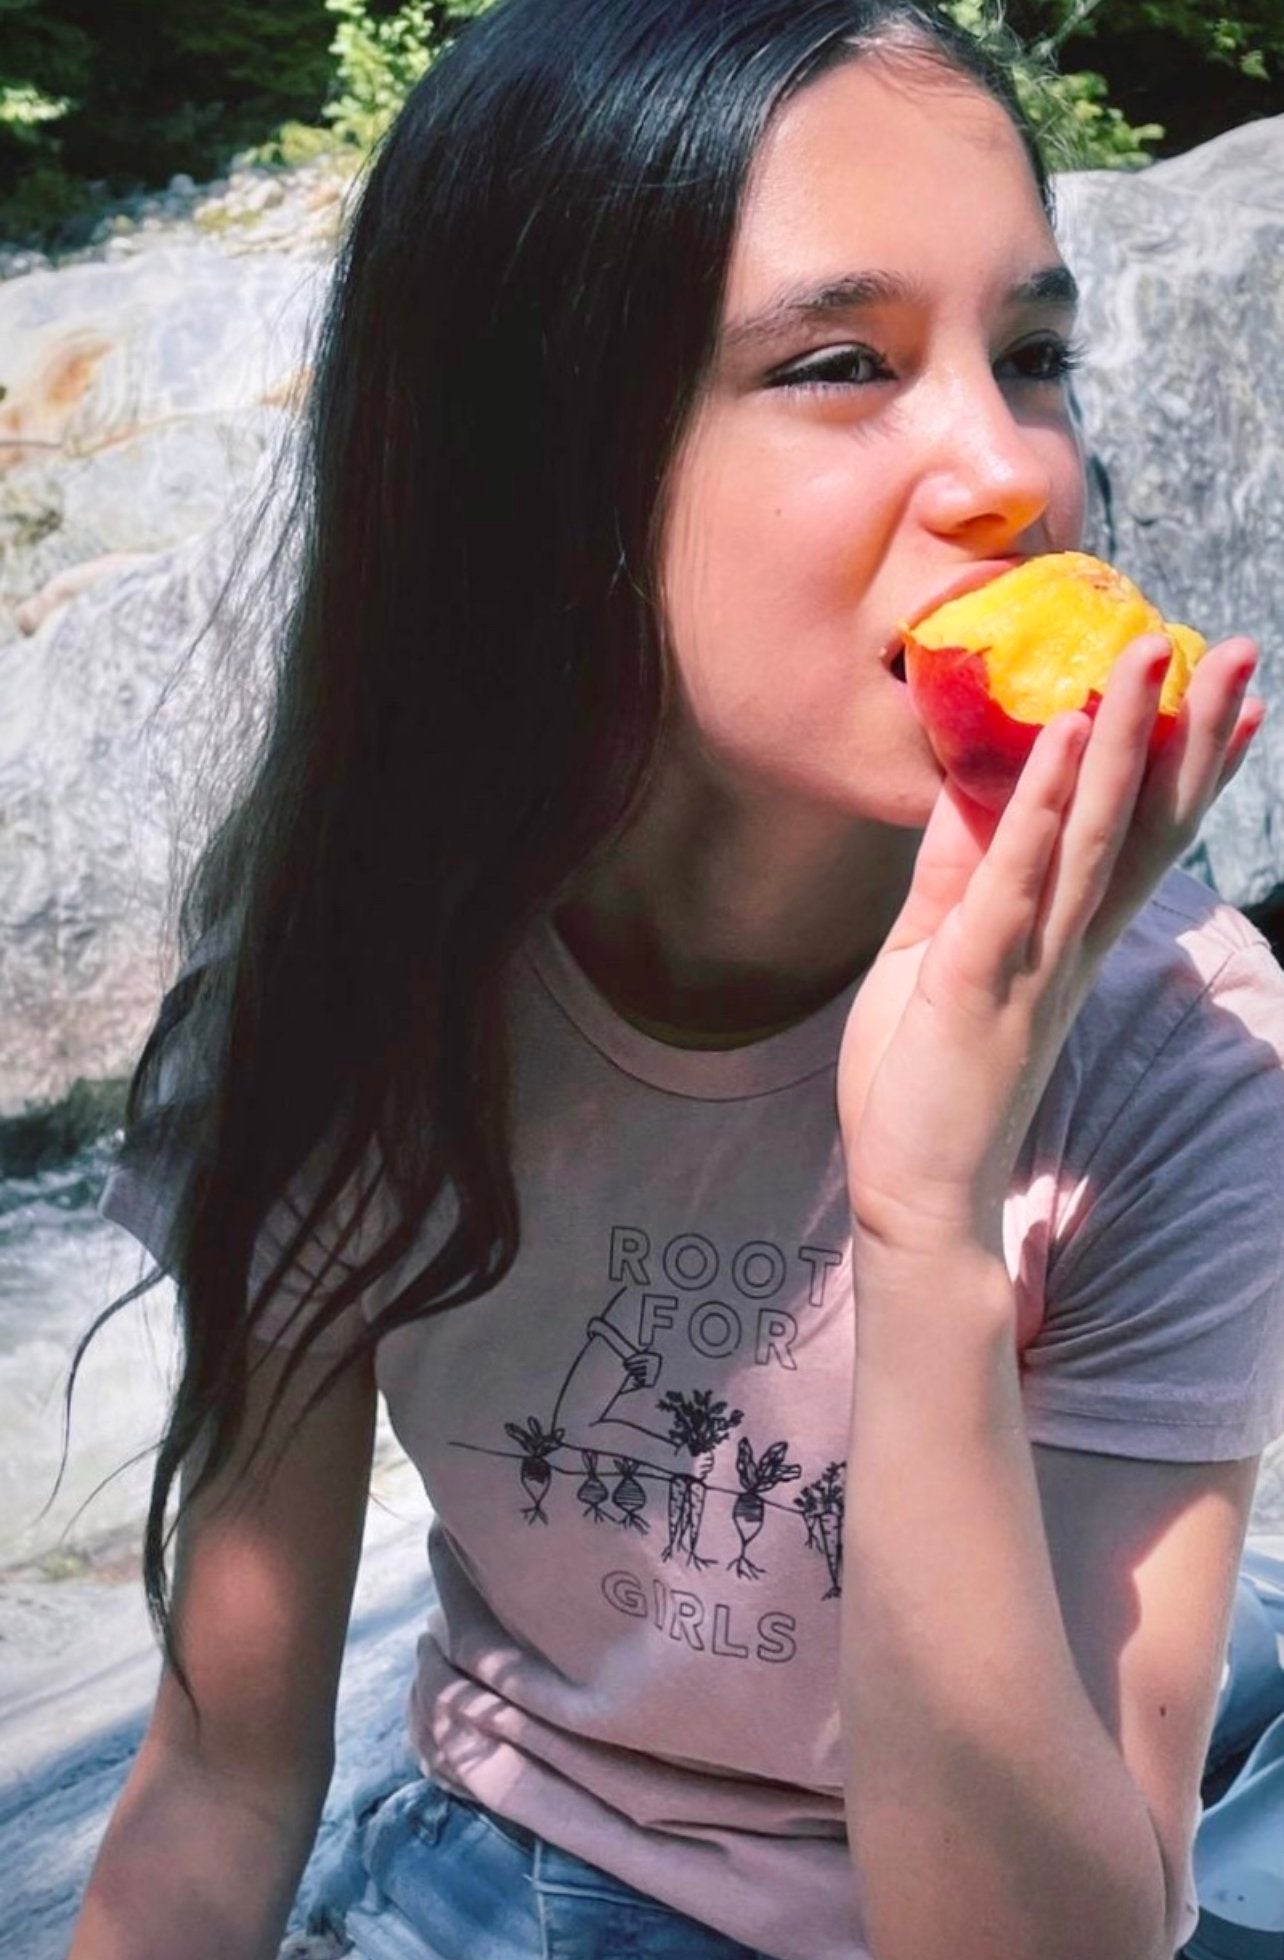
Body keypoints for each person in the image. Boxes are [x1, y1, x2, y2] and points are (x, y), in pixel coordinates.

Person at [67, 1, 1284, 1957]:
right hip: (523, 1868)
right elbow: (220, 1770)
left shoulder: (1176, 1041)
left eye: (1034, 352)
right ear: (539, 478)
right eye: (838, 362)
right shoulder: (344, 995)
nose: (1006, 464)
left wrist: (924, 1202)